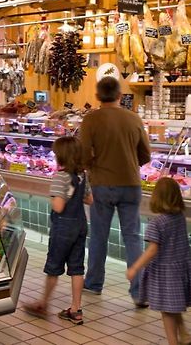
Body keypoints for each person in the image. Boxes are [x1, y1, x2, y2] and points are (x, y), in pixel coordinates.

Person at [80, 76, 151, 305]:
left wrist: (94, 167)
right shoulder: (133, 118)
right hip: (131, 184)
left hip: (103, 184)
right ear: (120, 96)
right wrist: (129, 164)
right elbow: (146, 155)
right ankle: (139, 292)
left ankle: (93, 284)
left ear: (98, 96)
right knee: (133, 237)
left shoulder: (91, 120)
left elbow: (83, 155)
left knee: (99, 235)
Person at [23, 136, 93, 325]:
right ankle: (76, 309)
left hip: (63, 227)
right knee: (77, 268)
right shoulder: (82, 175)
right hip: (80, 225)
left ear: (61, 156)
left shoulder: (60, 177)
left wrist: (55, 198)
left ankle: (43, 304)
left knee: (53, 268)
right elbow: (89, 200)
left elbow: (59, 207)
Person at [126, 178, 191, 345]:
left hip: (165, 274)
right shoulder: (180, 217)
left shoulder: (156, 223)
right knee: (174, 305)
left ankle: (172, 342)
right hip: (180, 269)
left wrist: (135, 267)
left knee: (167, 311)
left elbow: (152, 250)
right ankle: (184, 334)